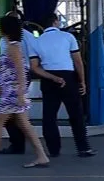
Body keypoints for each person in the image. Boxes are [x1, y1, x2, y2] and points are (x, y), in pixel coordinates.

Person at [0, 15, 50, 169]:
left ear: (5, 29)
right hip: (13, 90)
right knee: (24, 124)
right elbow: (13, 64)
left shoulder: (13, 47)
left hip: (12, 92)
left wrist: (19, 93)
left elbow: (20, 69)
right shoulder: (12, 46)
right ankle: (41, 155)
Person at [29, 13, 96, 157]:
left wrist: (52, 77)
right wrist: (82, 81)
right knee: (76, 114)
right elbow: (78, 62)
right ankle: (83, 147)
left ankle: (53, 150)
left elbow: (34, 67)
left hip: (48, 79)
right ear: (55, 22)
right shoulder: (68, 37)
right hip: (69, 77)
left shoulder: (36, 42)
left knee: (49, 116)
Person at [0, 10, 33, 155]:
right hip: (17, 79)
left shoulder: (9, 43)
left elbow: (14, 66)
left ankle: (15, 147)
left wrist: (17, 89)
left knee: (7, 119)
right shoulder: (28, 37)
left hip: (13, 81)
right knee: (17, 118)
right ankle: (35, 151)